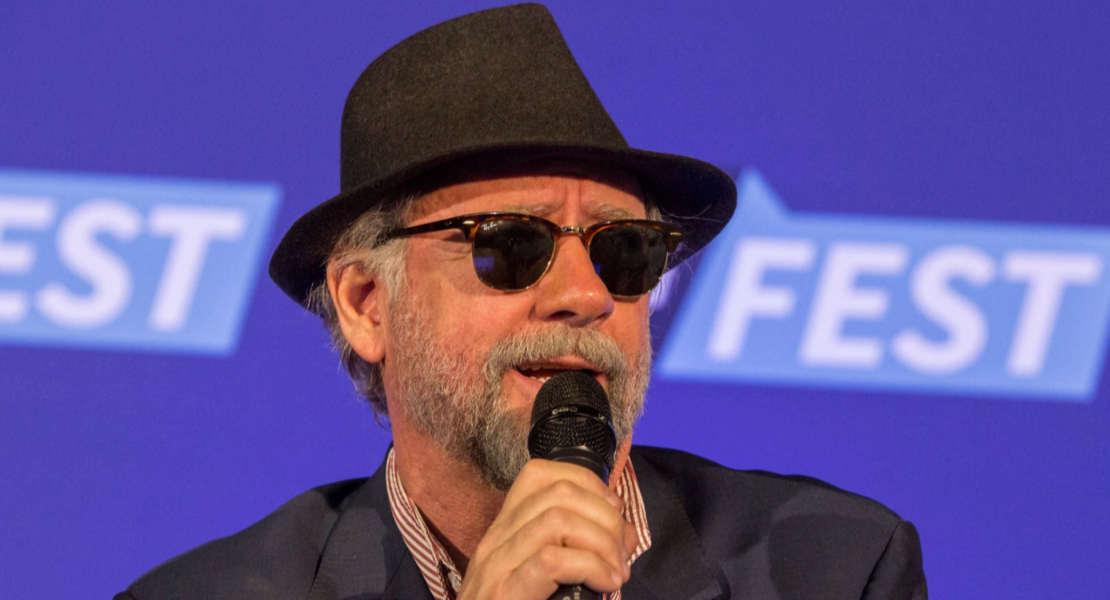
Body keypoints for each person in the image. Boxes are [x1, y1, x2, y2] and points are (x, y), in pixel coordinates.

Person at [117, 4, 927, 599]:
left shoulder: (836, 570)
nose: (584, 295)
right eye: (509, 246)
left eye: (624, 250)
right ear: (366, 303)